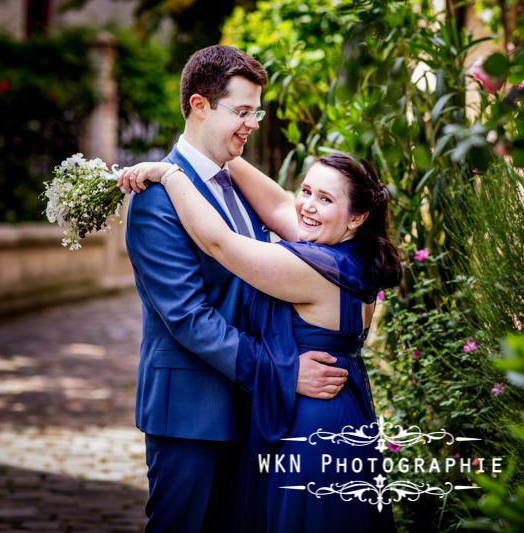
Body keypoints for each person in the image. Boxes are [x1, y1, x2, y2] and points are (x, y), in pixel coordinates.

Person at [124, 44, 348, 532]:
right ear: (200, 106)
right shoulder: (156, 200)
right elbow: (189, 317)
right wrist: (282, 371)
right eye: (242, 111)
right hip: (191, 414)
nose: (253, 123)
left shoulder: (235, 182)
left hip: (251, 407)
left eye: (257, 112)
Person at [120, 151, 401, 532]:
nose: (308, 206)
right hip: (343, 415)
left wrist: (170, 173)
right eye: (306, 190)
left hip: (310, 428)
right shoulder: (355, 259)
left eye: (326, 199)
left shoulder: (311, 268)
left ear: (357, 216)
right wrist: (219, 152)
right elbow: (282, 205)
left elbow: (219, 244)